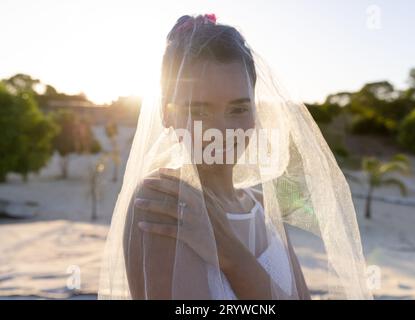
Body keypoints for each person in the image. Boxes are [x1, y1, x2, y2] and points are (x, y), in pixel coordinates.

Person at [98, 14, 372, 300]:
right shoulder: (163, 202)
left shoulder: (264, 205)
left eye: (238, 109)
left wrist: (231, 254)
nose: (223, 130)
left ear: (255, 112)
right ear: (167, 113)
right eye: (199, 111)